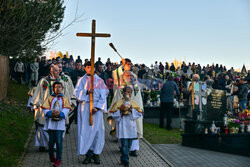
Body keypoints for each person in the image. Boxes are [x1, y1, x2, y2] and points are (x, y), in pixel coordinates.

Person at [74, 61, 108, 164]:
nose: (90, 69)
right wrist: (86, 92)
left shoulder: (100, 81)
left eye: (92, 67)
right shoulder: (81, 80)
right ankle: (88, 154)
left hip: (96, 109)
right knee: (86, 131)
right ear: (85, 68)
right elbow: (76, 93)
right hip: (85, 108)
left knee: (97, 131)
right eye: (88, 67)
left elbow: (104, 96)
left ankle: (96, 153)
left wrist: (97, 108)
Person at [111, 58, 143, 156]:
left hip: (133, 107)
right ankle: (123, 148)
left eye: (130, 64)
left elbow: (137, 92)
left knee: (134, 127)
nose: (129, 66)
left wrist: (134, 105)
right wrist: (121, 105)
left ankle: (133, 149)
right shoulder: (120, 77)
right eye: (127, 64)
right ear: (123, 65)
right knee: (123, 128)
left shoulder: (134, 76)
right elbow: (117, 91)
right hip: (123, 107)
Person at [110, 86, 142, 167]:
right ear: (123, 93)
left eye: (131, 92)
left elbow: (139, 113)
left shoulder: (133, 104)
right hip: (123, 127)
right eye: (128, 92)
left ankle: (123, 157)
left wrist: (132, 110)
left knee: (129, 145)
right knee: (124, 144)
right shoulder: (118, 103)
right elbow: (113, 114)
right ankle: (125, 160)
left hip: (131, 127)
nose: (129, 94)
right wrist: (120, 110)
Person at [42, 81, 71, 167]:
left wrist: (60, 114)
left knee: (58, 141)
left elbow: (66, 109)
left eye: (59, 87)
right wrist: (50, 113)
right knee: (51, 141)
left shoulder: (64, 99)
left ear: (62, 88)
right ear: (53, 88)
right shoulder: (50, 98)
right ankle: (51, 156)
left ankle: (59, 159)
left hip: (60, 124)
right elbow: (45, 108)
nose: (57, 89)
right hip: (51, 123)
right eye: (56, 87)